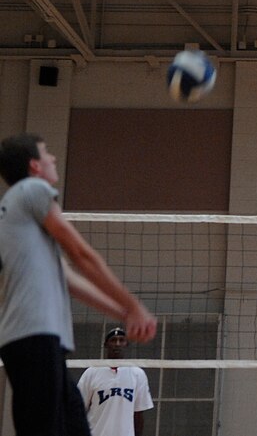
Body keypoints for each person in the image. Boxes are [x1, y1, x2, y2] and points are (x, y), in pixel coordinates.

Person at [0, 133, 157, 436]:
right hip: (32, 338)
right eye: (47, 154)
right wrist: (134, 306)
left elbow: (71, 281)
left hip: (39, 342)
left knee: (74, 427)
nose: (53, 159)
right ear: (34, 165)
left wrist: (125, 314)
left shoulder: (21, 219)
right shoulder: (32, 189)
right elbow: (81, 254)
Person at [77, 327, 154, 436]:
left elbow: (138, 414)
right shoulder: (91, 372)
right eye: (113, 340)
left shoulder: (137, 374)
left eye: (121, 340)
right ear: (106, 344)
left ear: (126, 344)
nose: (117, 344)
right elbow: (79, 411)